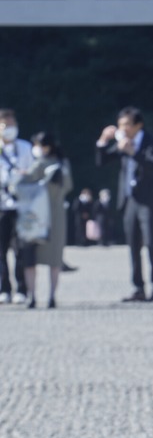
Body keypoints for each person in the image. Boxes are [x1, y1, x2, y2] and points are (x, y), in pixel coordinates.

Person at [95, 106, 153, 302]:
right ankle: (138, 288)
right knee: (133, 246)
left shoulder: (150, 141)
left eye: (126, 125)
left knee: (151, 244)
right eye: (120, 125)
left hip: (148, 200)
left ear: (138, 125)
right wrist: (103, 141)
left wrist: (132, 151)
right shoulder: (122, 142)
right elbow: (102, 161)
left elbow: (152, 165)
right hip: (129, 200)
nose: (122, 129)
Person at [17, 132, 73, 309]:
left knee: (44, 257)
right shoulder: (53, 164)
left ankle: (41, 296)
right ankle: (41, 296)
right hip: (44, 215)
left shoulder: (56, 165)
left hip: (41, 216)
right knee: (44, 258)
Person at [0, 108, 34, 304]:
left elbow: (34, 175)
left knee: (21, 249)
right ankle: (4, 288)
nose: (8, 129)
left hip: (22, 206)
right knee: (1, 250)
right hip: (1, 206)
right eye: (4, 125)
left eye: (11, 125)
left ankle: (21, 288)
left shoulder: (26, 147)